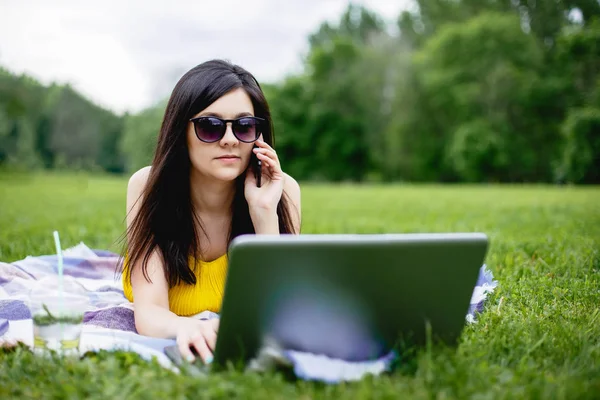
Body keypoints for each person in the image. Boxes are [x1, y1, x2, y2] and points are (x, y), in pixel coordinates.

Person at [119, 59, 302, 365]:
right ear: (182, 132)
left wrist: (264, 213)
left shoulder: (283, 191)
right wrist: (187, 328)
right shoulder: (148, 186)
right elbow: (149, 313)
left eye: (244, 126)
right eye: (210, 126)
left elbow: (281, 308)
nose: (230, 139)